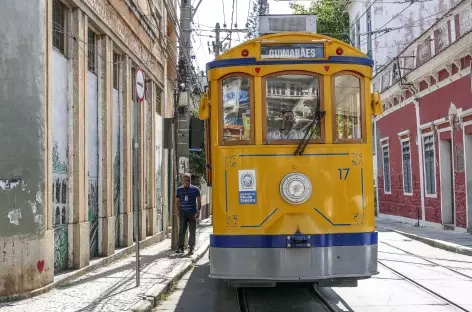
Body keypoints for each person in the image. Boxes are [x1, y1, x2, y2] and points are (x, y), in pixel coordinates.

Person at [175, 173, 201, 255]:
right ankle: (180, 248)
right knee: (182, 230)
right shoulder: (179, 190)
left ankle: (191, 248)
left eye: (188, 180)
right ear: (182, 181)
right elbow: (177, 202)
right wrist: (177, 211)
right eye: (185, 180)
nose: (187, 182)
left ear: (190, 180)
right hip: (183, 213)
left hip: (192, 213)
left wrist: (198, 211)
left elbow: (199, 201)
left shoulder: (195, 189)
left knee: (192, 231)